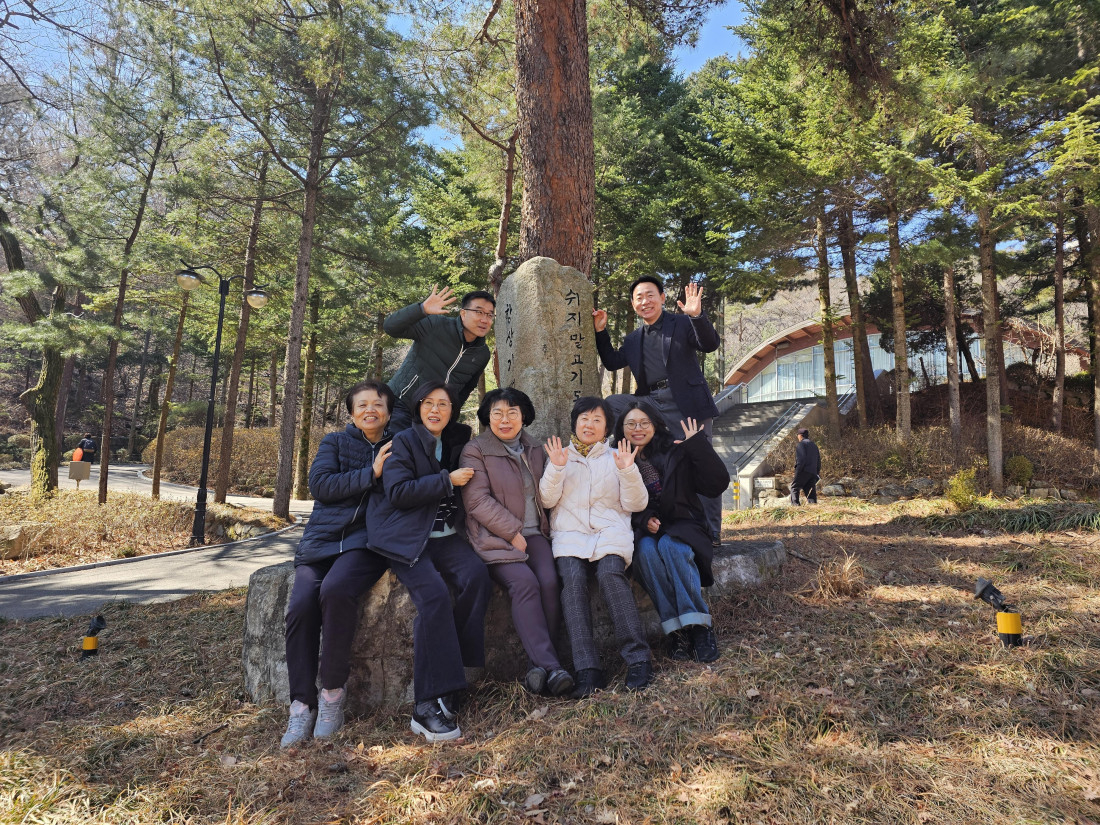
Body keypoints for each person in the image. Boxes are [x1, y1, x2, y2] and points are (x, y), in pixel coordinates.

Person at [366, 381, 492, 742]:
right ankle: (424, 706)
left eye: (444, 404)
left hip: (446, 536)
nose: (436, 410)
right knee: (434, 598)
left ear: (453, 410)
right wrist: (445, 480)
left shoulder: (456, 442)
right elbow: (398, 492)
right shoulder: (403, 441)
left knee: (477, 577)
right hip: (406, 537)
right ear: (419, 407)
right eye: (429, 403)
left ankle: (453, 675)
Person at [281, 380, 396, 748]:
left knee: (335, 591)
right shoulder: (334, 443)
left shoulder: (399, 446)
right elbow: (321, 486)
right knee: (301, 606)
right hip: (320, 542)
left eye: (377, 404)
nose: (370, 410)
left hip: (365, 543)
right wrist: (371, 473)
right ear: (352, 413)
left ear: (388, 413)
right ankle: (301, 705)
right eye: (362, 405)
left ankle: (332, 695)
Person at [592, 276, 725, 545]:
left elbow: (709, 344)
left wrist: (697, 316)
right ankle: (620, 452)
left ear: (662, 298)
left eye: (650, 295)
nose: (645, 301)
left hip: (686, 402)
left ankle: (711, 531)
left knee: (702, 461)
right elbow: (612, 362)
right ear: (633, 304)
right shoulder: (633, 339)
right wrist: (601, 331)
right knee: (613, 403)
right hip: (651, 402)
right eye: (639, 298)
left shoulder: (682, 323)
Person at [459, 388, 574, 697]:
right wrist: (511, 533)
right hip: (494, 537)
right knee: (525, 583)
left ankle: (540, 667)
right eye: (497, 413)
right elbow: (476, 501)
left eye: (512, 413)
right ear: (487, 417)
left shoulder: (535, 448)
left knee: (549, 581)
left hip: (535, 533)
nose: (505, 419)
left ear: (524, 416)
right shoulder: (475, 450)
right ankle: (553, 667)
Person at [539, 396, 654, 697]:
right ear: (574, 423)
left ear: (607, 428)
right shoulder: (560, 456)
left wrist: (628, 471)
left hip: (609, 533)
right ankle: (587, 669)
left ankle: (639, 659)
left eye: (597, 420)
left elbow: (636, 504)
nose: (589, 425)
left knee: (610, 575)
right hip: (569, 535)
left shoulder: (617, 456)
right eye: (584, 419)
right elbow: (547, 500)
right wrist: (556, 468)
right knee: (572, 581)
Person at [614, 401, 730, 663]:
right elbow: (614, 501)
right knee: (645, 552)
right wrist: (644, 519)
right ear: (621, 428)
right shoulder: (615, 457)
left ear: (655, 425)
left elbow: (716, 484)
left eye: (644, 422)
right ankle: (676, 630)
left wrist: (697, 446)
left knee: (672, 547)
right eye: (631, 424)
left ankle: (699, 626)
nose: (638, 428)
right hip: (644, 531)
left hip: (684, 524)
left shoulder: (676, 450)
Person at [384, 286, 495, 431]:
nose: (484, 320)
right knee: (396, 444)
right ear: (463, 313)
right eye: (479, 312)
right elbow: (390, 327)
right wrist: (422, 309)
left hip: (436, 416)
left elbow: (466, 388)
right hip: (403, 405)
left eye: (490, 315)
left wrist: (451, 415)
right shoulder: (435, 325)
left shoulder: (482, 353)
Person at [790, 427, 821, 505]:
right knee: (810, 493)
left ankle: (795, 507)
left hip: (803, 471)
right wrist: (816, 473)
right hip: (813, 472)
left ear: (800, 435)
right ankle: (813, 507)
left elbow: (801, 460)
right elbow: (818, 461)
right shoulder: (814, 445)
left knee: (794, 487)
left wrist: (797, 472)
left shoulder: (801, 444)